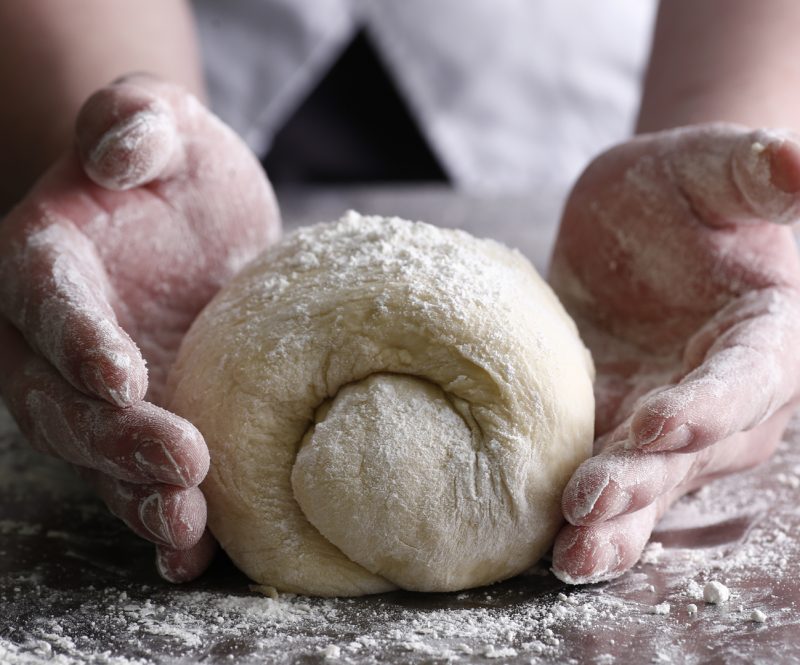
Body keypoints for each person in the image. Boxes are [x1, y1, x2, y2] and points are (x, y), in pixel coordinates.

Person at [0, 0, 799, 586]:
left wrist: (724, 200)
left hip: (551, 104)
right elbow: (107, 135)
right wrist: (108, 171)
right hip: (206, 117)